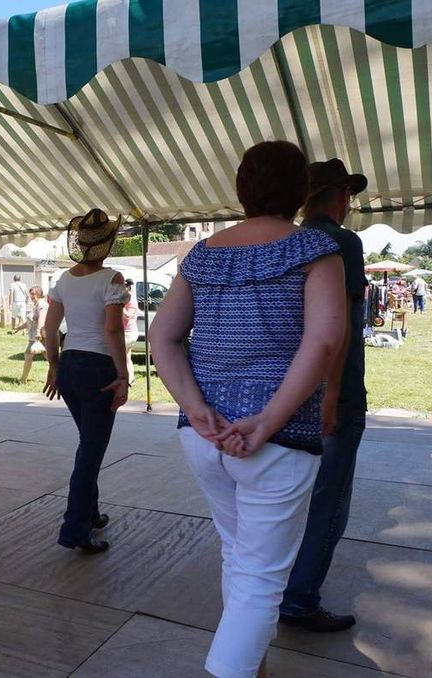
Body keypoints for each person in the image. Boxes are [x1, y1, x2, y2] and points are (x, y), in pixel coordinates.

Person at [148, 141, 346, 678]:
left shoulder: (203, 255)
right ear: (300, 190)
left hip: (204, 437)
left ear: (242, 188)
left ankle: (253, 670)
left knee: (239, 557)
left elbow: (162, 338)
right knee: (261, 580)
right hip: (276, 443)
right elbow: (325, 340)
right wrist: (270, 419)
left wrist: (196, 407)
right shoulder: (314, 250)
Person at [281, 158, 368, 633]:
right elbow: (341, 330)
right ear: (338, 197)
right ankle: (299, 598)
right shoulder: (341, 242)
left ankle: (275, 585)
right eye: (347, 195)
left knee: (286, 494)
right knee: (330, 496)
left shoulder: (286, 240)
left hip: (286, 387)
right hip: (334, 389)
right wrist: (335, 393)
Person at [44, 208, 130, 554]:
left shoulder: (64, 280)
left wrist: (53, 365)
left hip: (70, 365)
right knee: (90, 452)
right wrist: (123, 374)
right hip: (98, 368)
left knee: (87, 443)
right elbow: (112, 329)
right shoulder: (112, 278)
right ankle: (75, 529)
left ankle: (90, 514)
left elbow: (50, 328)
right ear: (106, 244)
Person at [19, 285, 48, 384]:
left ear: (38, 294)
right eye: (30, 294)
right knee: (50, 358)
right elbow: (30, 321)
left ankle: (23, 379)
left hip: (40, 337)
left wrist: (38, 332)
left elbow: (42, 318)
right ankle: (61, 376)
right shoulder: (36, 305)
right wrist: (20, 327)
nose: (31, 296)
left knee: (28, 355)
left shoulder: (41, 304)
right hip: (35, 337)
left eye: (32, 294)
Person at [122, 279, 139, 385]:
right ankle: (130, 378)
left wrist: (120, 305)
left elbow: (128, 315)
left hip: (128, 334)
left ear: (128, 287)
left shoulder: (131, 300)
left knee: (119, 356)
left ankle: (125, 378)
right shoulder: (125, 298)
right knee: (127, 356)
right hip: (126, 332)